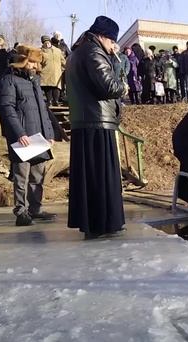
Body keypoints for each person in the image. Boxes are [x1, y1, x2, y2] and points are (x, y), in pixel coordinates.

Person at [66, 16, 126, 239]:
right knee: (102, 176)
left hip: (86, 120)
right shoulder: (93, 52)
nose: (113, 48)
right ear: (104, 36)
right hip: (97, 121)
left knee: (90, 176)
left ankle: (93, 222)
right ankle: (103, 222)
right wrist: (124, 88)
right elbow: (108, 85)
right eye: (112, 42)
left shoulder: (79, 52)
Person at [0, 45, 56, 226]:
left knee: (37, 177)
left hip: (39, 137)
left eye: (35, 62)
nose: (33, 66)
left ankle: (35, 209)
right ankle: (21, 211)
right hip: (22, 138)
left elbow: (43, 110)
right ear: (21, 61)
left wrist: (49, 133)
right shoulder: (8, 80)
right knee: (21, 176)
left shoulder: (35, 82)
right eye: (30, 61)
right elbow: (7, 109)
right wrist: (19, 133)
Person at [40, 35, 66, 106]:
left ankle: (52, 101)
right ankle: (53, 101)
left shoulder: (56, 51)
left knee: (52, 87)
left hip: (51, 73)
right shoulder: (41, 51)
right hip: (51, 73)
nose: (47, 43)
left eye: (47, 42)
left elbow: (63, 61)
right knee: (52, 87)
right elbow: (63, 62)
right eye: (46, 42)